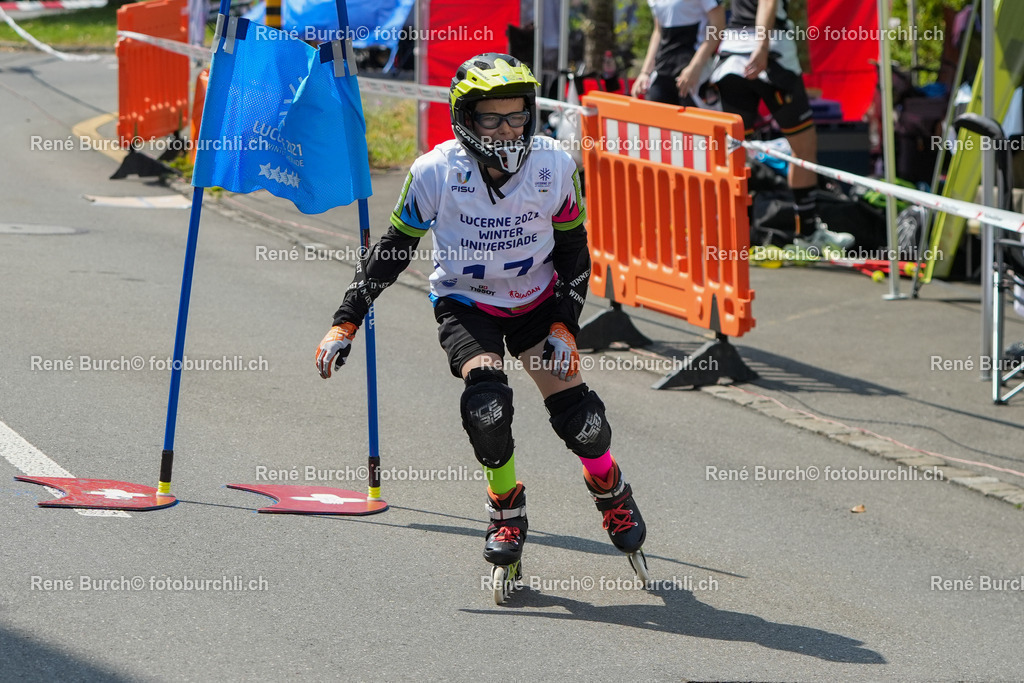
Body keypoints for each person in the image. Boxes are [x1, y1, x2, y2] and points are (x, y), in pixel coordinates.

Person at [314, 53, 648, 597]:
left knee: (583, 422)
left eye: (516, 116)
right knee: (487, 404)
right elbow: (395, 249)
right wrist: (346, 321)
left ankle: (610, 491)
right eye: (491, 119)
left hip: (539, 303)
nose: (507, 129)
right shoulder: (434, 172)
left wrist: (565, 326)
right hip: (468, 304)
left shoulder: (554, 165)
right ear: (464, 118)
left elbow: (574, 252)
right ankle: (505, 507)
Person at [711, 0, 854, 251]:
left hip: (730, 51)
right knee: (803, 147)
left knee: (733, 152)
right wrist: (762, 46)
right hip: (769, 50)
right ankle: (807, 234)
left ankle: (731, 234)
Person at [631, 0, 726, 106]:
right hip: (663, 68)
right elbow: (658, 31)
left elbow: (717, 28)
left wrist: (695, 67)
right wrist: (645, 72)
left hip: (695, 72)